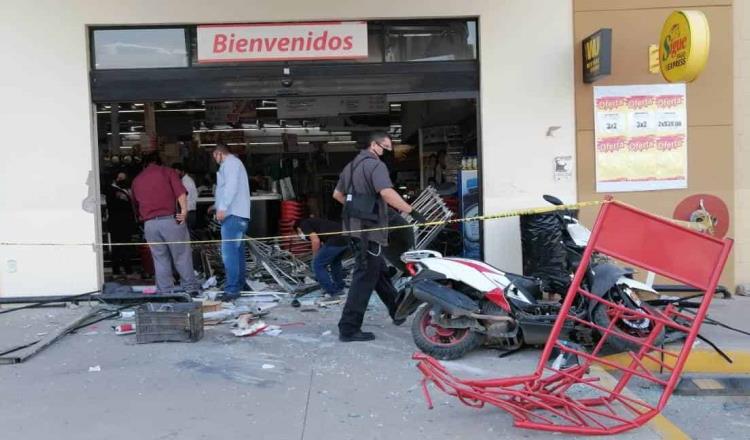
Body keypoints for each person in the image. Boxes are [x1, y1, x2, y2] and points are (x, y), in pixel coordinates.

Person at [333, 131, 426, 342]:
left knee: (378, 271)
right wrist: (411, 212)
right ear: (374, 145)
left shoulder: (351, 166)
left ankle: (396, 309)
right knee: (364, 278)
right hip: (369, 233)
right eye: (385, 149)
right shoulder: (375, 165)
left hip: (353, 229)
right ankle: (348, 328)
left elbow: (337, 195)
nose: (386, 154)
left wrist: (358, 211)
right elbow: (386, 192)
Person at [131, 153, 200, 295]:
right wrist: (184, 210)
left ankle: (166, 292)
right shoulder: (168, 172)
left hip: (150, 225)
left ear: (145, 164)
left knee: (160, 259)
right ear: (159, 162)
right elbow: (181, 193)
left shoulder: (137, 180)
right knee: (181, 256)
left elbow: (135, 206)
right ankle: (190, 289)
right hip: (170, 221)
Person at [212, 144, 252, 301]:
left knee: (229, 255)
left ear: (219, 153)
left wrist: (222, 208)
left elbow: (231, 187)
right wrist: (216, 205)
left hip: (232, 215)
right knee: (237, 253)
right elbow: (225, 189)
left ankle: (231, 290)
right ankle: (239, 285)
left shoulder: (230, 164)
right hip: (238, 215)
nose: (215, 160)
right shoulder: (234, 164)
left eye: (215, 156)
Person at [294, 217, 350, 298]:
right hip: (346, 239)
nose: (300, 236)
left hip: (335, 239)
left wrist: (315, 257)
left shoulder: (304, 224)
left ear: (298, 229)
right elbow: (322, 244)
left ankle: (332, 291)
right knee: (335, 263)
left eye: (298, 233)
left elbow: (315, 241)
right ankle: (339, 286)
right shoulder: (318, 223)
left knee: (317, 265)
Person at [105, 171, 137, 278]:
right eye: (120, 178)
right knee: (118, 247)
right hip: (117, 223)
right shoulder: (112, 190)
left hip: (126, 223)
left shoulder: (126, 190)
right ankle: (118, 270)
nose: (122, 180)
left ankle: (126, 269)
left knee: (126, 246)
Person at [172, 163, 198, 230]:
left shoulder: (186, 182)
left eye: (177, 172)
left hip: (188, 212)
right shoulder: (184, 181)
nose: (175, 175)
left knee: (187, 235)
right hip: (187, 212)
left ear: (182, 171)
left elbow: (183, 198)